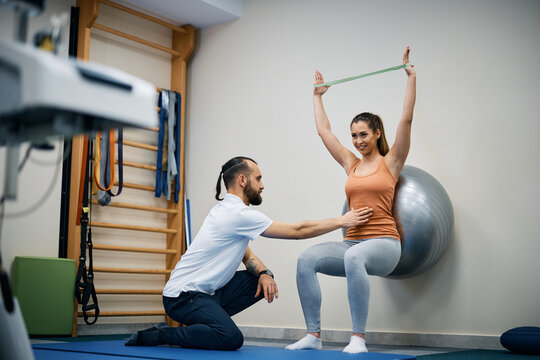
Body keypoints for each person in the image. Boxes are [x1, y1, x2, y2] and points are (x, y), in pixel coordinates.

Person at [125, 156, 372, 350]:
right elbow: (297, 230)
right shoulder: (236, 214)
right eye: (258, 178)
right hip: (182, 296)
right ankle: (161, 334)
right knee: (231, 338)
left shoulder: (231, 212)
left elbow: (247, 255)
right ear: (243, 180)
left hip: (207, 294)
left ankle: (207, 321)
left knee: (261, 278)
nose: (262, 185)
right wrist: (342, 221)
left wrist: (263, 272)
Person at [286, 47, 416, 354]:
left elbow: (406, 120)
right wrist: (318, 96)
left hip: (385, 244)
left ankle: (358, 338)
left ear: (377, 134)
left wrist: (410, 78)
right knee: (307, 259)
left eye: (363, 135)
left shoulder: (391, 162)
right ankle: (313, 336)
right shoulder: (351, 164)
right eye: (354, 135)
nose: (357, 141)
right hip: (351, 243)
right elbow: (324, 131)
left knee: (353, 258)